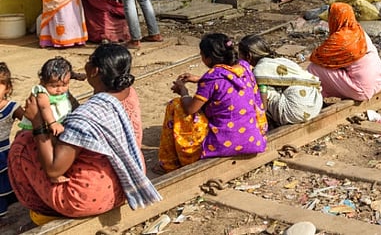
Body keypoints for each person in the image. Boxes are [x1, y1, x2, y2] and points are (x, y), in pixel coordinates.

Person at [8, 44, 161, 221]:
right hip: (128, 183)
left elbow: (53, 170)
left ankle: (45, 211)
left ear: (94, 71)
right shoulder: (128, 93)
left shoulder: (84, 118)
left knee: (23, 142)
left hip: (86, 198)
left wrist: (37, 123)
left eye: (88, 61)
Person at [157, 33, 267, 173]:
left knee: (176, 105)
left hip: (223, 143)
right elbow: (227, 81)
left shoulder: (211, 79)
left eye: (202, 55)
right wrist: (199, 79)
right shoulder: (244, 67)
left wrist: (183, 91)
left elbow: (191, 108)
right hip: (253, 139)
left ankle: (169, 164)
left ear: (208, 58)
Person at [307, 2, 381, 101]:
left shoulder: (341, 39)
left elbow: (317, 57)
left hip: (362, 90)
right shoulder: (359, 31)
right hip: (379, 81)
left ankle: (316, 97)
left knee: (314, 68)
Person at [238, 34, 323, 127]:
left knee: (258, 90)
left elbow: (263, 106)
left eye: (240, 55)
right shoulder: (281, 61)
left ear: (248, 56)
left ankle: (273, 122)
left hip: (297, 110)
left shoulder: (259, 71)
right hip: (316, 103)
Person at [18, 57, 86, 136]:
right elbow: (45, 107)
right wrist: (52, 123)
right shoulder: (42, 92)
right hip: (39, 126)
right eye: (54, 86)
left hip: (58, 123)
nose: (59, 89)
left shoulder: (62, 91)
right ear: (43, 81)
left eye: (64, 85)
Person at [0, 63, 20, 218]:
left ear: (7, 88)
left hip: (3, 154)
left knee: (4, 185)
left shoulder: (12, 108)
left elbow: (30, 121)